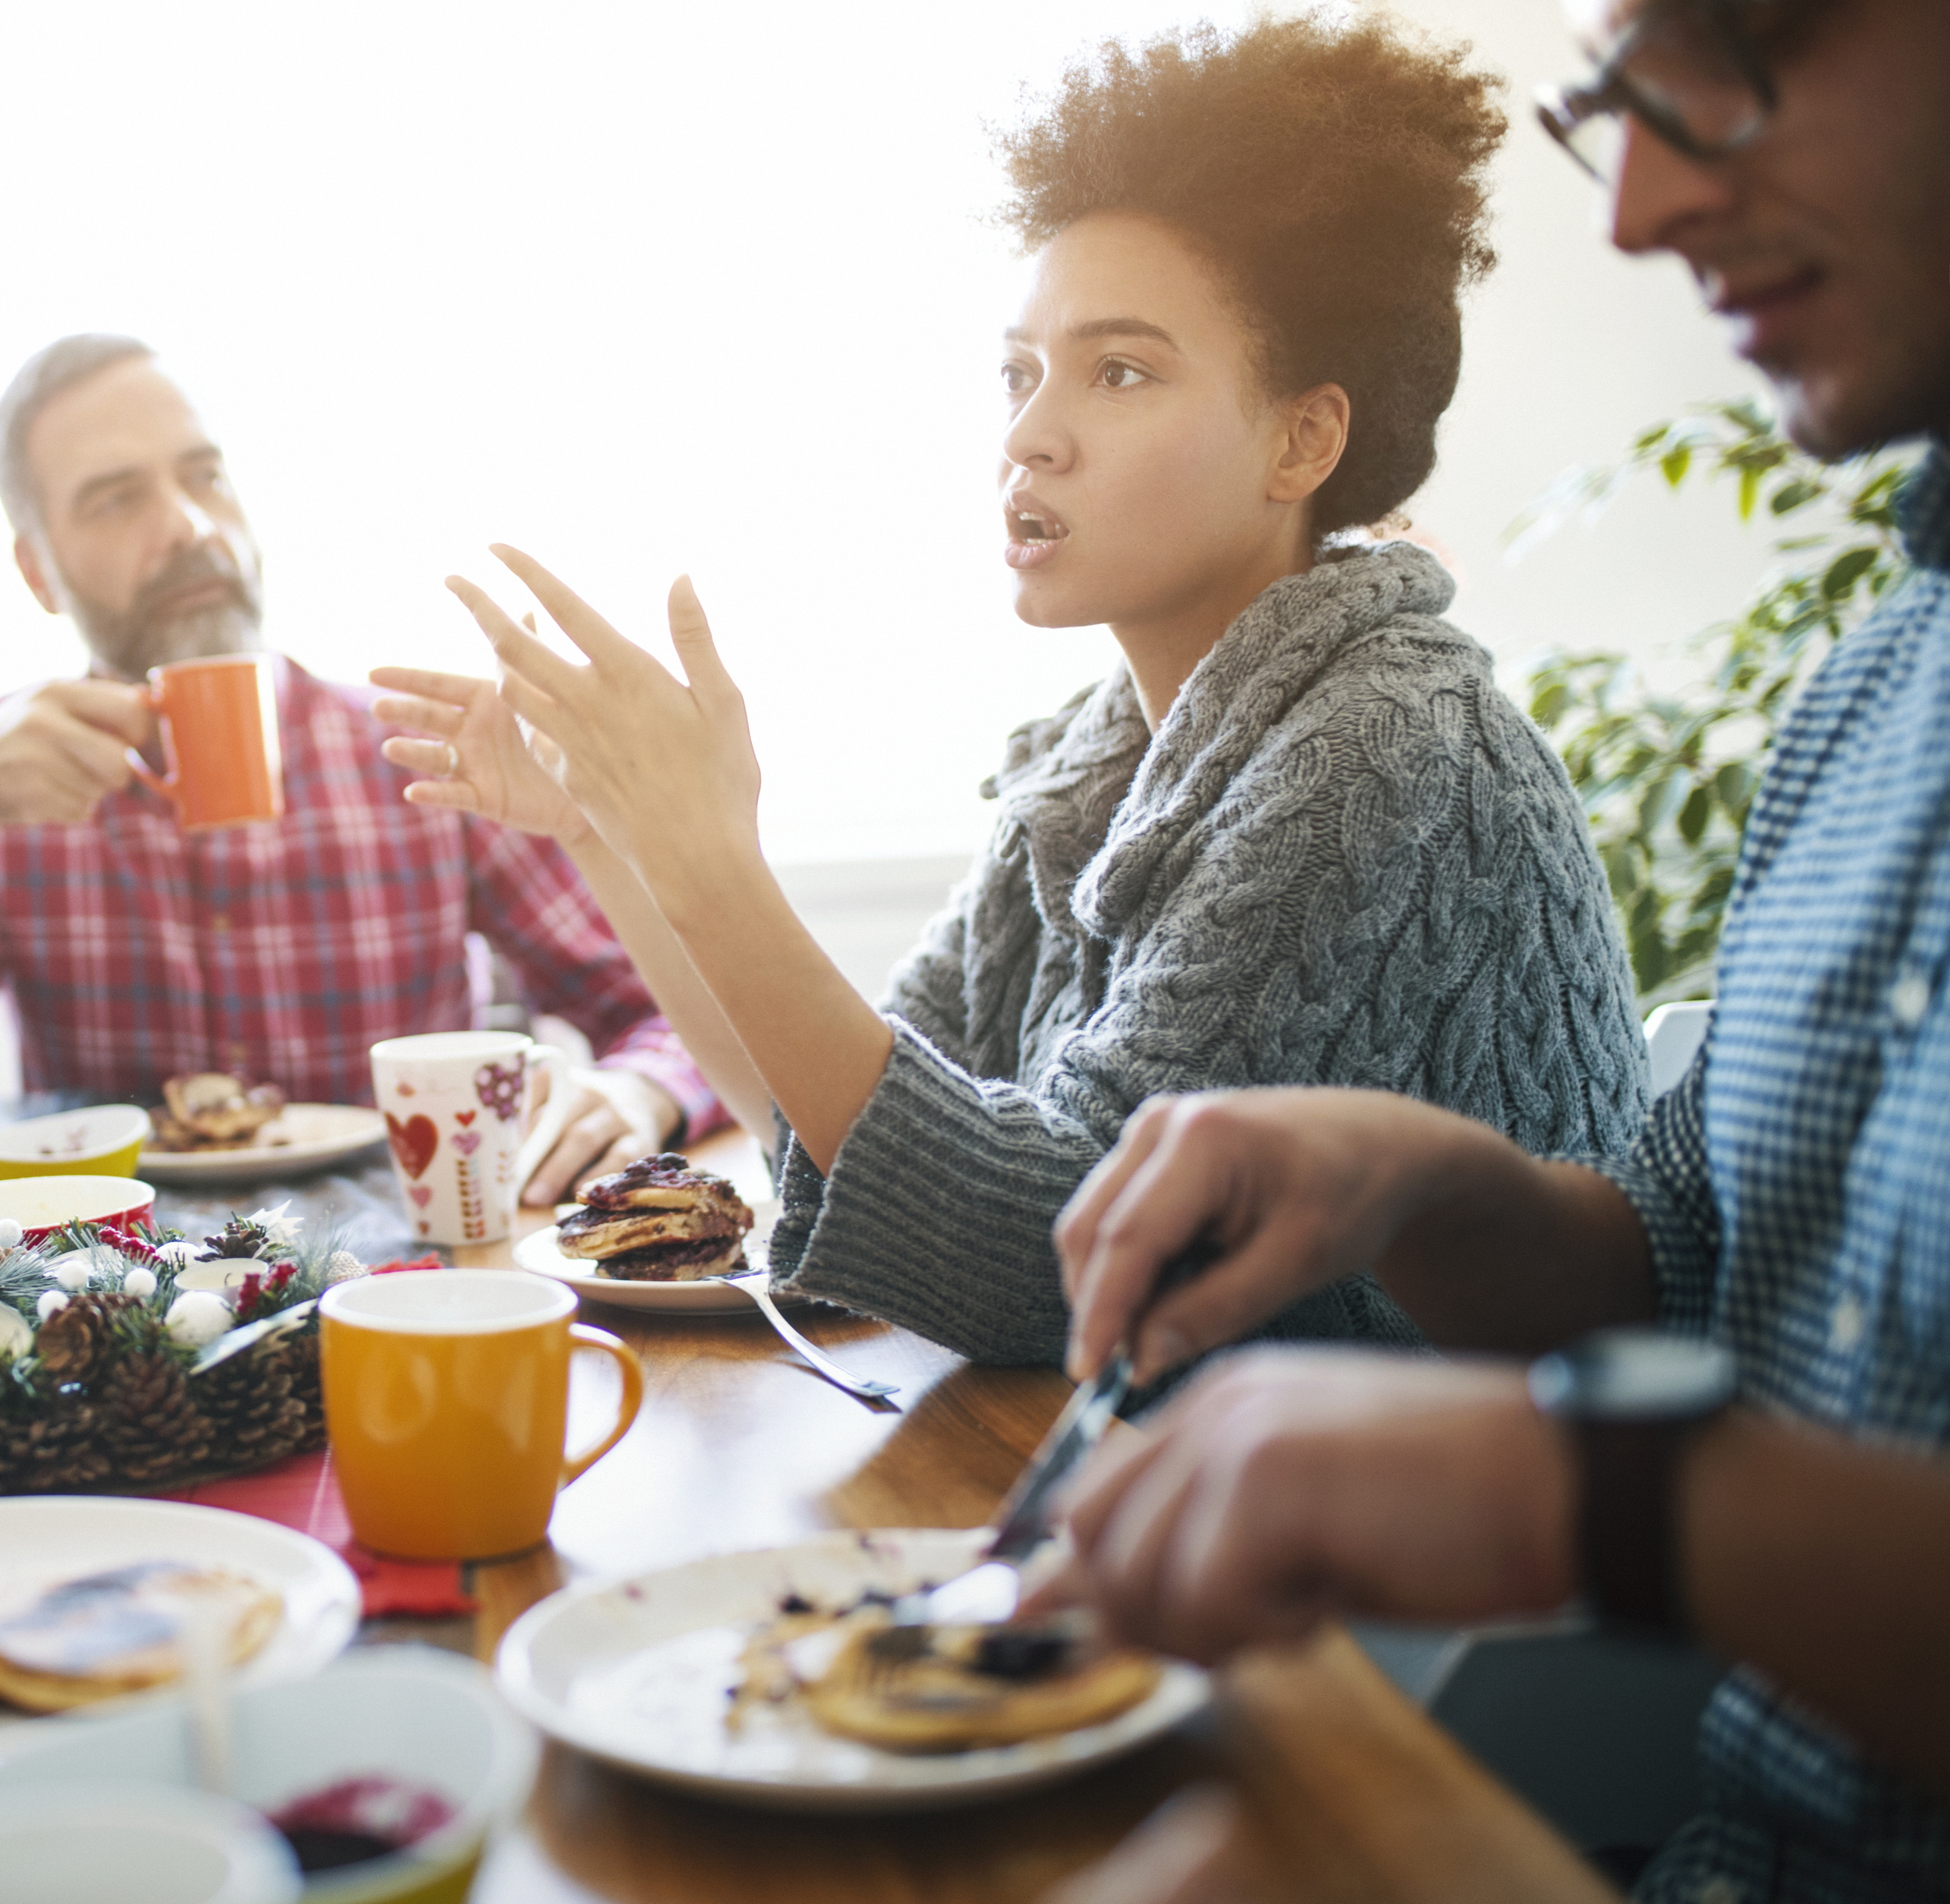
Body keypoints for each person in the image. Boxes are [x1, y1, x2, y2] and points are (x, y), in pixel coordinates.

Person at [1035, 0, 1950, 1894]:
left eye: (1741, 47)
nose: (1630, 206)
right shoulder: (1869, 697)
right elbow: (1687, 1265)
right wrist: (1404, 1179)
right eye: (1611, 102)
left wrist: (1585, 1494)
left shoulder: (1382, 731)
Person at [383, 14, 1644, 1361]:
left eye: (1118, 370)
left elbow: (1053, 1260)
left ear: (1302, 436)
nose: (1027, 436)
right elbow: (845, 1131)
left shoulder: (1385, 752)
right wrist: (611, 834)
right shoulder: (1098, 753)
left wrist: (713, 865)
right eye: (1017, 373)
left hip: (1449, 1533)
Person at [0, 336, 720, 1198]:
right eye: (116, 499)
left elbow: (668, 1011)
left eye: (205, 476)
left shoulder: (424, 746)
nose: (190, 525)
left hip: (414, 1284)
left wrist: (641, 1092)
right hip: (118, 1309)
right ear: (38, 573)